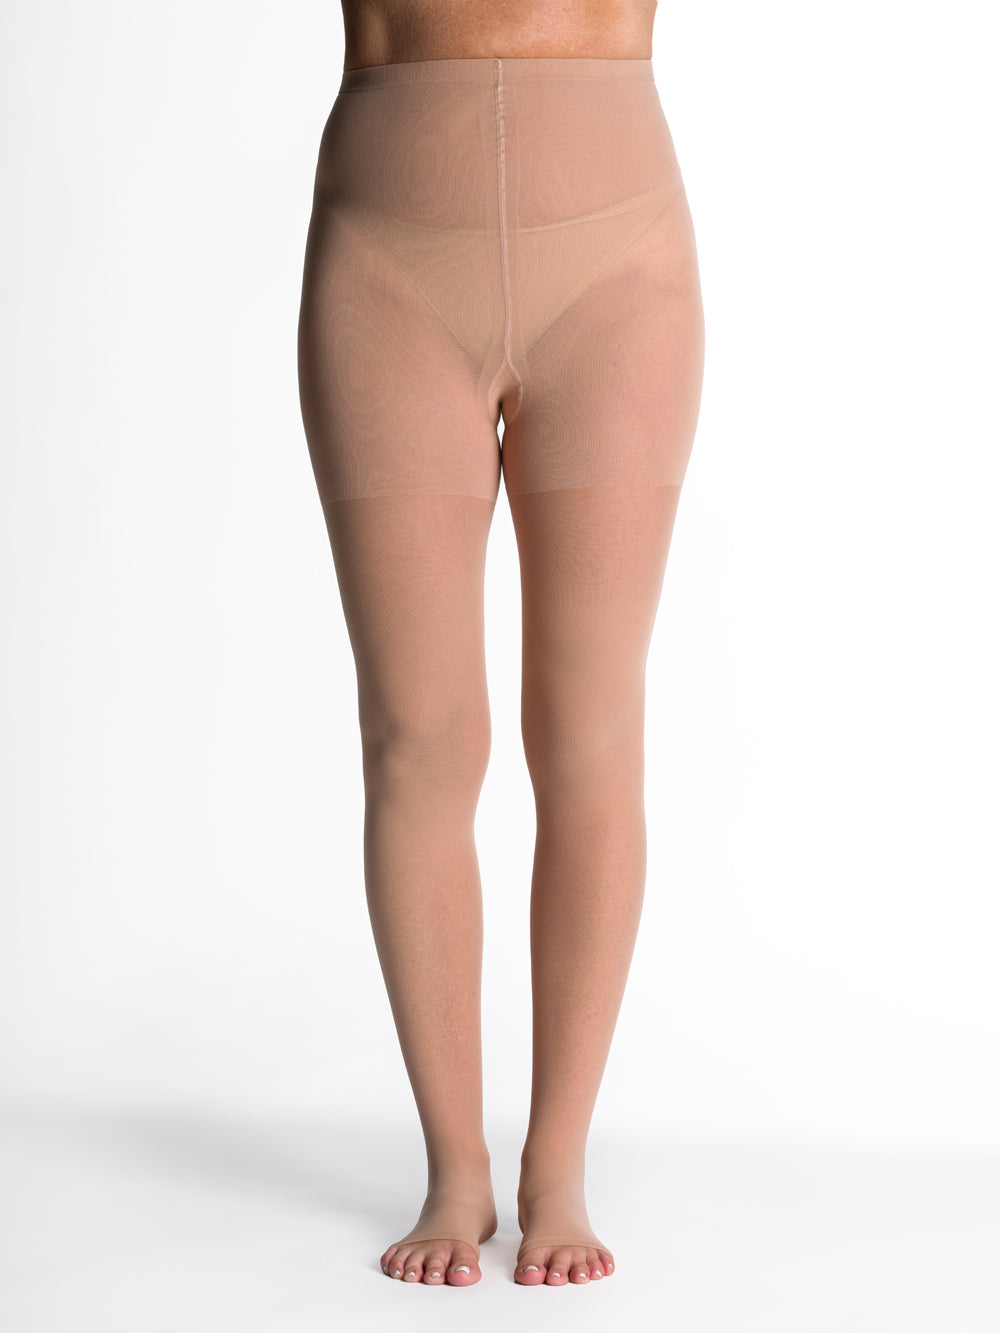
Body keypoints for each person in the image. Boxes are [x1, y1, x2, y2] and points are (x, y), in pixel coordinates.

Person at [296, 0, 705, 1289]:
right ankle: (454, 1166)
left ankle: (557, 1166)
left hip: (615, 264)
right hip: (388, 265)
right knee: (416, 738)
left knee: (589, 725)